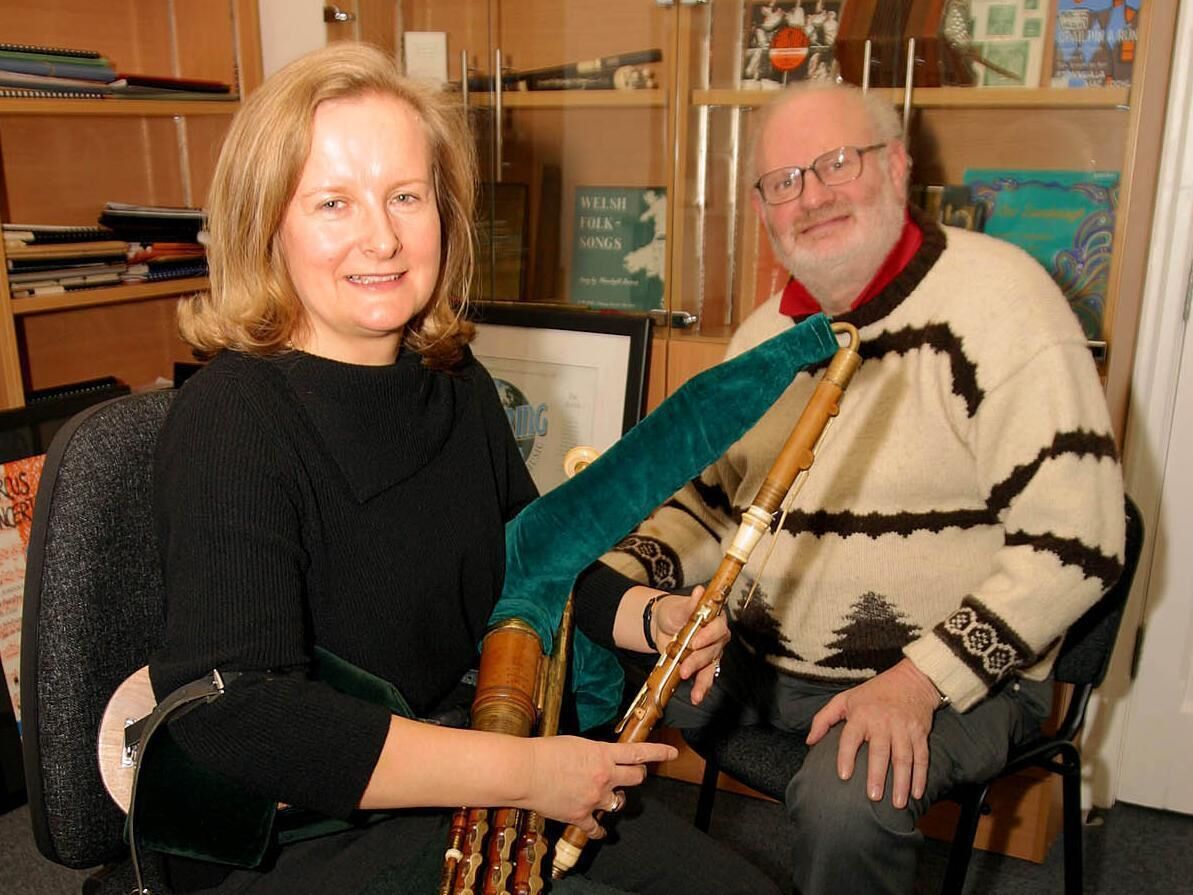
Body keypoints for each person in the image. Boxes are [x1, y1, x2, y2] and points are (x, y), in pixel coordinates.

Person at [148, 42, 776, 895]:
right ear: (265, 225)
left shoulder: (451, 379)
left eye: (405, 196)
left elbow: (523, 561)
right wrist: (523, 773)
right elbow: (241, 716)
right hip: (297, 831)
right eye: (332, 202)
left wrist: (649, 616)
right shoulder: (231, 420)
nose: (381, 236)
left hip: (463, 761)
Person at [573, 81, 1126, 894]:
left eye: (837, 163)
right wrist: (632, 590)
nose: (812, 196)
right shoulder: (766, 336)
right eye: (784, 180)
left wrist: (919, 679)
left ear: (896, 167)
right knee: (575, 652)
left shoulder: (1003, 302)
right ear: (762, 209)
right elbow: (711, 506)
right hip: (763, 660)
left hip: (951, 679)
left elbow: (1080, 541)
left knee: (847, 800)